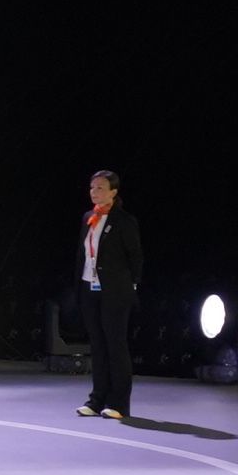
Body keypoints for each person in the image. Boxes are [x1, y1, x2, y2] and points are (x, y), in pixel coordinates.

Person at [75, 169, 145, 417]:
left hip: (115, 291)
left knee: (115, 345)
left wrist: (130, 285)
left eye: (100, 188)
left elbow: (135, 257)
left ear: (114, 192)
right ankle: (96, 400)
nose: (94, 192)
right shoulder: (87, 218)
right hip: (89, 287)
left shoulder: (124, 221)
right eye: (92, 187)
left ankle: (119, 403)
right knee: (98, 346)